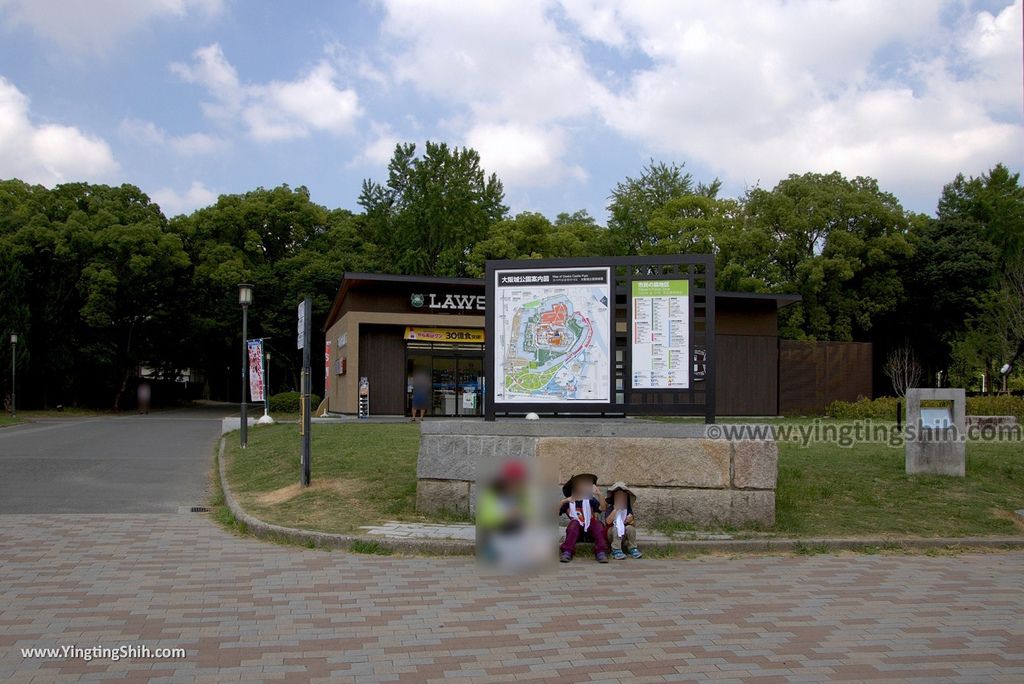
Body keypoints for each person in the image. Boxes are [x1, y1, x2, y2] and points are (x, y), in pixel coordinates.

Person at [558, 473, 608, 563]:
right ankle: (567, 551)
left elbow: (603, 508)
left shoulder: (590, 499)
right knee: (574, 523)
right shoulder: (569, 501)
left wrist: (599, 494)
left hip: (591, 532)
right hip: (576, 534)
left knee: (598, 524)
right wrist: (563, 501)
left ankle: (601, 551)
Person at [604, 482, 642, 559]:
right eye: (618, 498)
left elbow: (633, 524)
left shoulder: (627, 510)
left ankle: (632, 548)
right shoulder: (611, 508)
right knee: (616, 528)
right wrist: (615, 510)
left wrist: (631, 520)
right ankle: (616, 549)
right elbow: (608, 521)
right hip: (612, 534)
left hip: (624, 534)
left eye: (623, 498)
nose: (621, 500)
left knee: (630, 529)